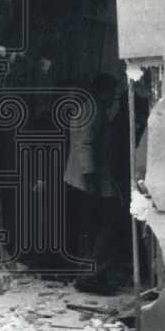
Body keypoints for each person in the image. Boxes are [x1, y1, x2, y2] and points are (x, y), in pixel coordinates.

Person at [63, 74, 121, 292]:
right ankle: (91, 277)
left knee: (90, 229)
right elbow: (84, 146)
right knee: (103, 227)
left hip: (81, 179)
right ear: (103, 91)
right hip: (86, 180)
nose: (113, 96)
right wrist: (92, 182)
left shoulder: (91, 107)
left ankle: (88, 274)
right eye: (112, 92)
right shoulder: (93, 109)